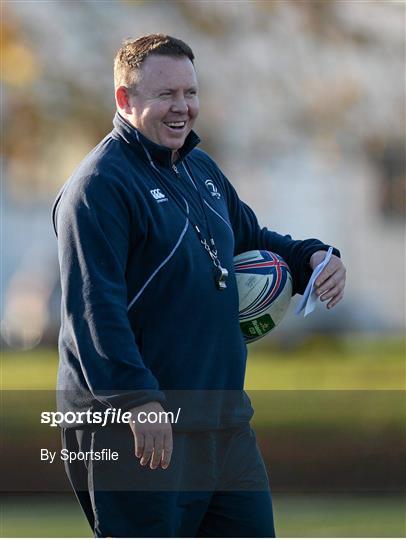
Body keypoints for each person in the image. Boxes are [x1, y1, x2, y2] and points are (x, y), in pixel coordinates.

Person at [52, 34, 346, 538]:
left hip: (223, 423)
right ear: (125, 99)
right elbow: (95, 311)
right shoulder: (98, 186)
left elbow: (251, 239)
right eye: (166, 94)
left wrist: (312, 256)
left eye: (190, 92)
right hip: (136, 428)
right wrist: (136, 402)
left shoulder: (199, 169)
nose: (182, 107)